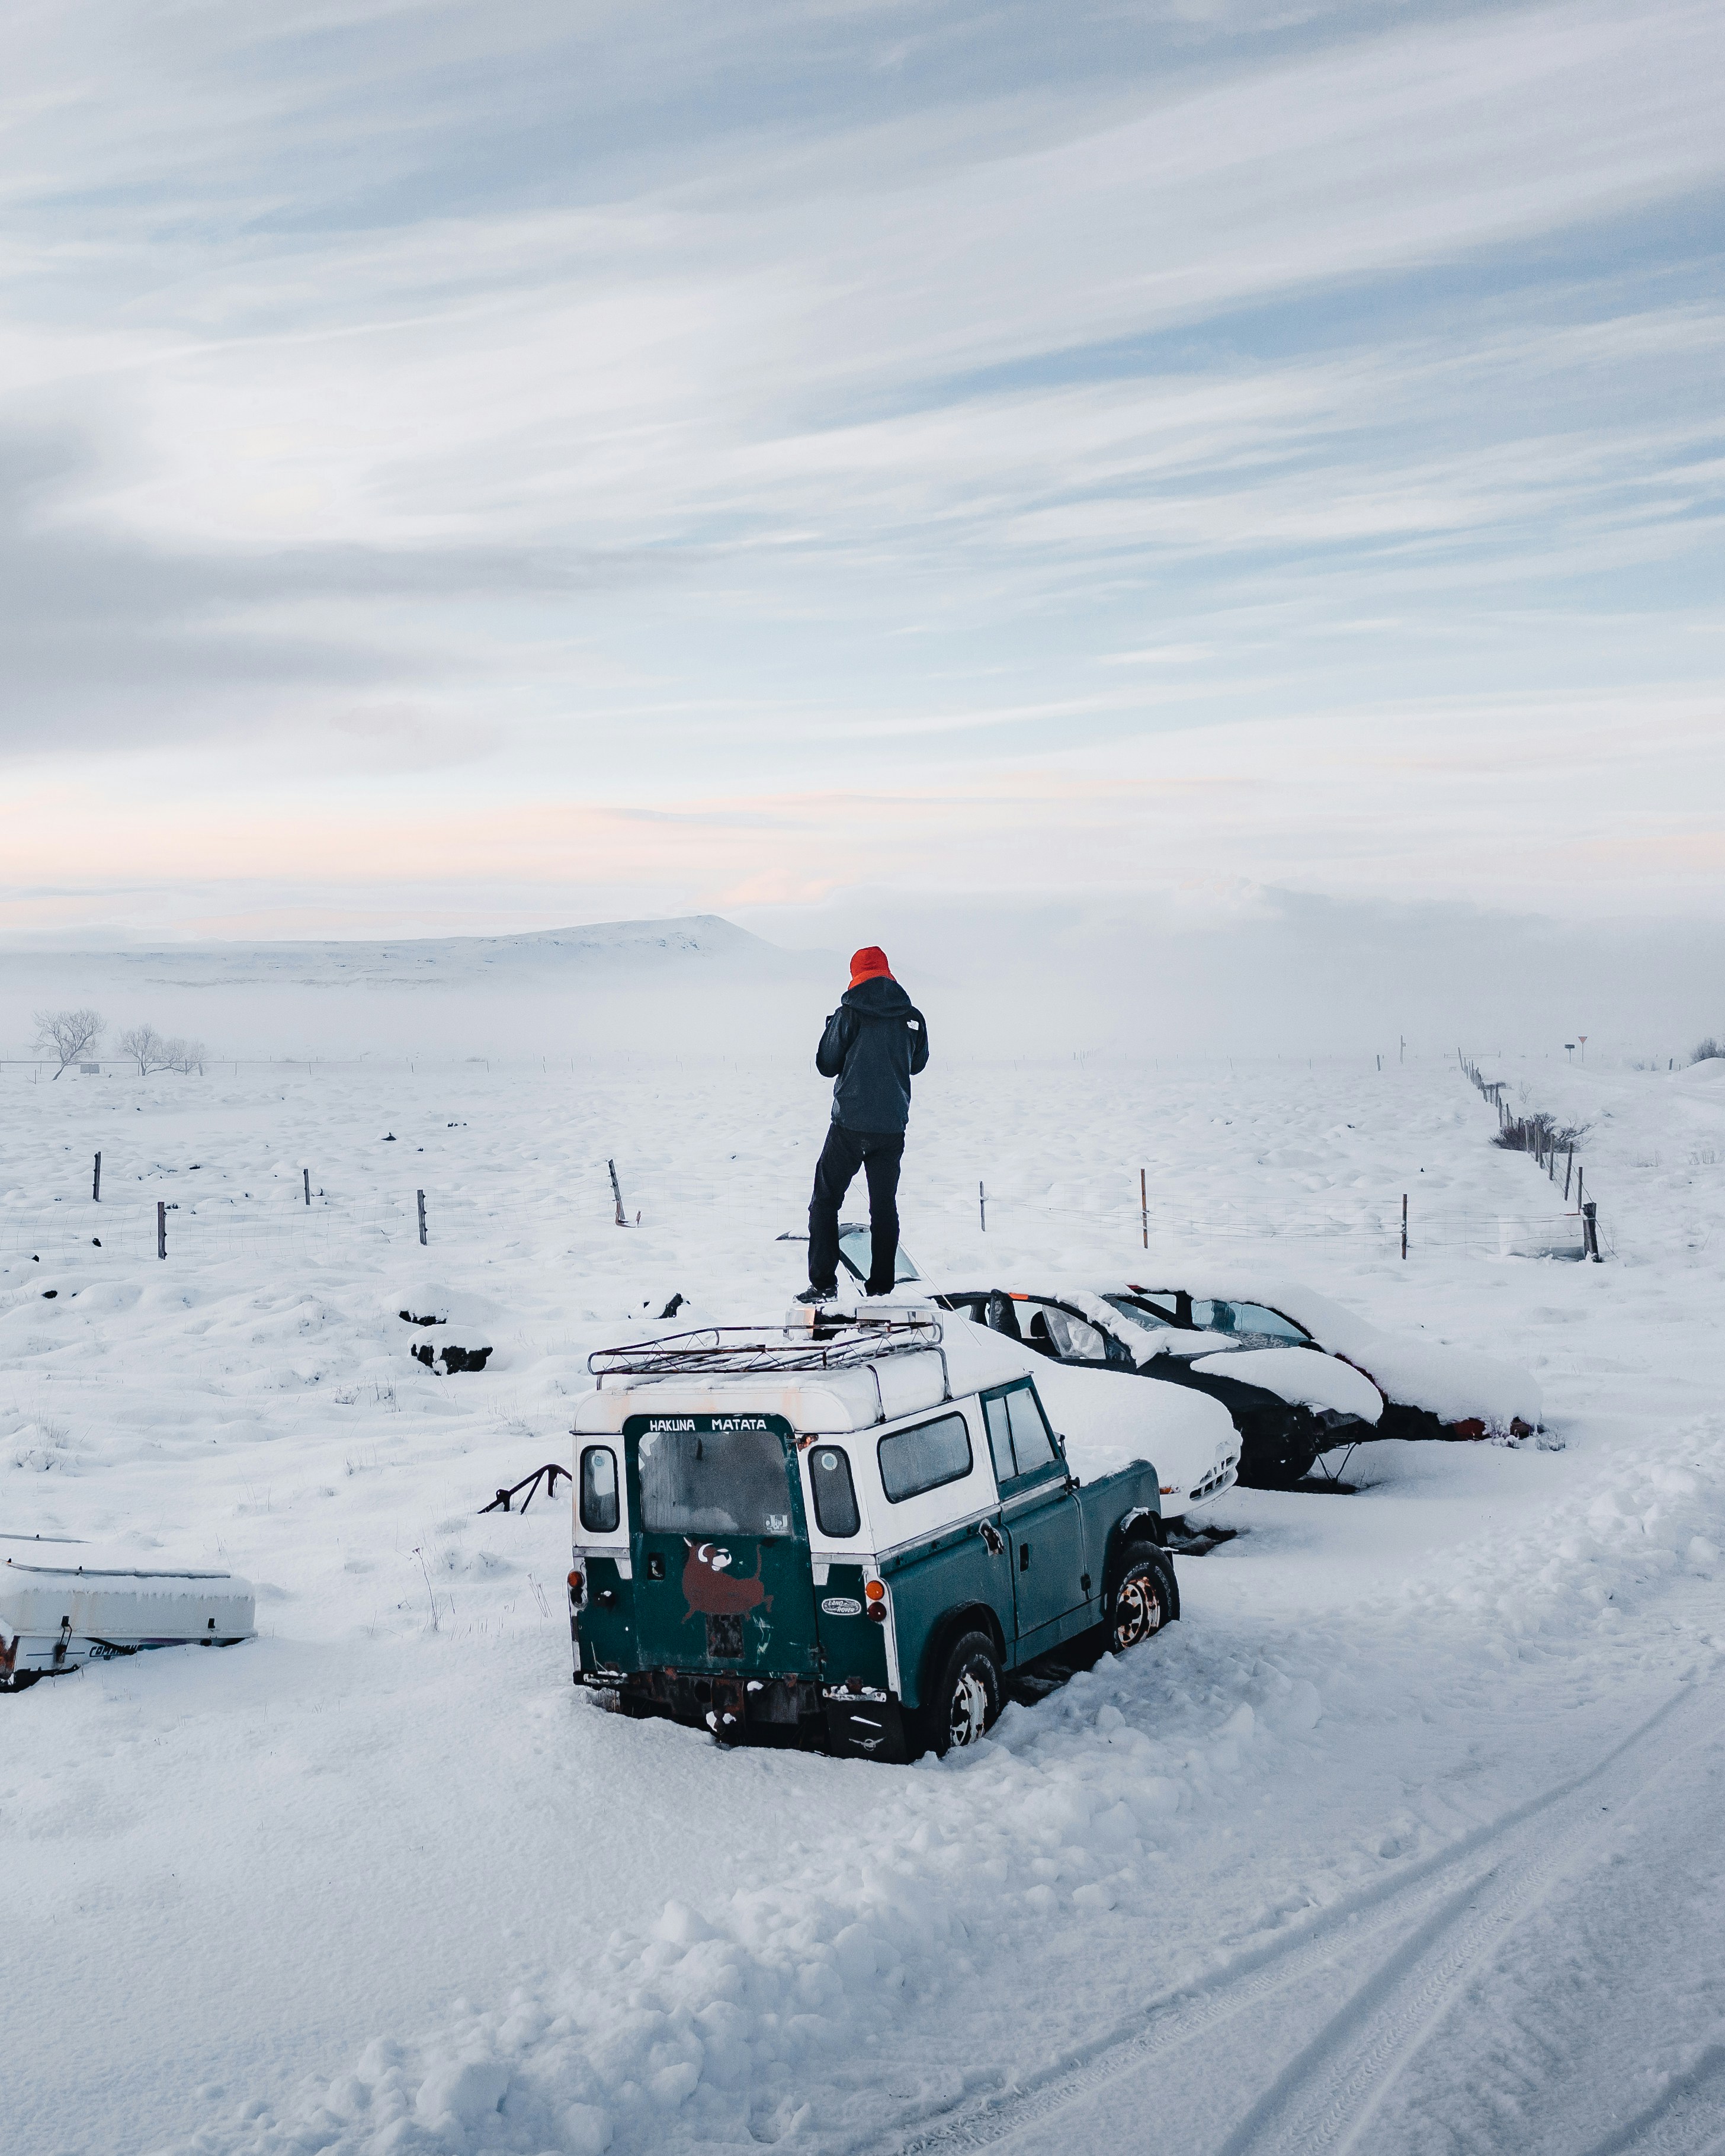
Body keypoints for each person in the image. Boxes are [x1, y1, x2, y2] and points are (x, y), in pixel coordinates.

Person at [799, 947, 929, 1302]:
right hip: (891, 1127)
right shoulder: (912, 1016)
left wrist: (833, 1029)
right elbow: (916, 1064)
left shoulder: (849, 1013)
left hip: (850, 1125)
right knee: (883, 1207)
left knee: (825, 1202)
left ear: (856, 975)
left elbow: (827, 1064)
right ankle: (882, 1289)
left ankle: (824, 1285)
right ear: (888, 972)